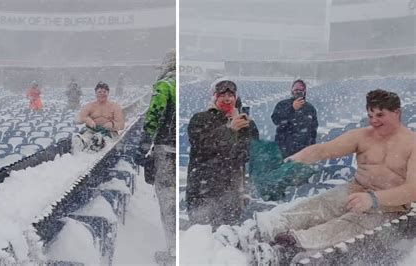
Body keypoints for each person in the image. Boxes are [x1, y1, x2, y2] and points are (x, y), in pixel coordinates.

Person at [246, 89, 416, 263]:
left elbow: (412, 190)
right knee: (319, 205)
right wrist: (297, 158)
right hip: (355, 189)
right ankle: (264, 229)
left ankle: (292, 245)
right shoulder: (363, 136)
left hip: (389, 207)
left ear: (397, 112)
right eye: (370, 115)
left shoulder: (412, 144)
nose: (374, 121)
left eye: (380, 115)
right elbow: (324, 150)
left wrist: (373, 199)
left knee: (347, 225)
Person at [186, 78, 259, 229]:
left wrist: (247, 129)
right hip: (203, 189)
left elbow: (249, 153)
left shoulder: (244, 123)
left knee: (228, 237)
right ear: (214, 97)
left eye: (231, 95)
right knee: (203, 237)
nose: (227, 99)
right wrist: (229, 130)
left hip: (232, 190)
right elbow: (202, 146)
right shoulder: (200, 119)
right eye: (222, 95)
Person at [136, 49, 176, 265]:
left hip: (166, 149)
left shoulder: (166, 85)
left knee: (166, 199)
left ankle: (173, 250)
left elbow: (154, 114)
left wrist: (144, 143)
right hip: (180, 150)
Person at [271, 79, 318, 158]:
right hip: (284, 149)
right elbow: (276, 120)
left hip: (303, 150)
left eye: (300, 90)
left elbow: (313, 130)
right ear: (292, 91)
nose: (298, 92)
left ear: (304, 92)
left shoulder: (310, 108)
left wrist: (311, 148)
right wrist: (292, 108)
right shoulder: (282, 104)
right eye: (296, 90)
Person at [73, 81, 125, 152]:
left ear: (108, 93)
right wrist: (87, 119)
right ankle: (81, 143)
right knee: (86, 137)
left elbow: (121, 125)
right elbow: (76, 120)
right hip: (92, 131)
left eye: (104, 92)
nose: (102, 94)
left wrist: (112, 124)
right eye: (99, 92)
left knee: (103, 139)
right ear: (96, 93)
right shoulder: (90, 106)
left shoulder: (115, 106)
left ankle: (99, 142)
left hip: (109, 132)